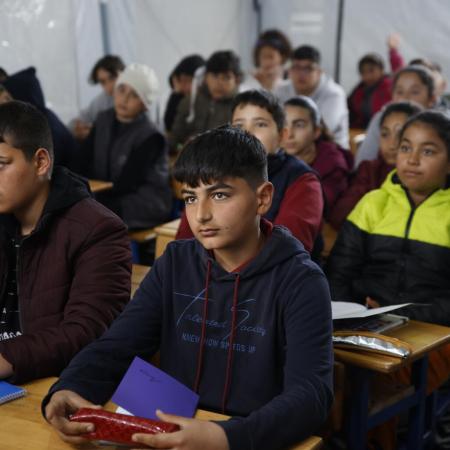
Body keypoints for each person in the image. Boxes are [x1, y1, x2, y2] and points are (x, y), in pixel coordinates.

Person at [43, 125, 333, 450]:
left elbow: (311, 394)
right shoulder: (175, 264)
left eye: (220, 195)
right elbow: (117, 345)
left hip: (252, 439)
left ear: (263, 198)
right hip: (168, 436)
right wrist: (68, 387)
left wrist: (225, 437)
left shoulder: (301, 281)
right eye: (191, 198)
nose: (201, 215)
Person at [327, 110, 450, 449]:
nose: (412, 159)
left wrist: (411, 315)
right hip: (367, 326)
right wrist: (352, 311)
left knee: (379, 385)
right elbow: (339, 272)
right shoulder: (374, 203)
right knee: (323, 372)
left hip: (434, 331)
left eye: (428, 151)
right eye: (405, 147)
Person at [0, 100, 131, 383]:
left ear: (40, 162)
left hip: (53, 384)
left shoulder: (99, 230)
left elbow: (87, 332)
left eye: (1, 164)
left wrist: (7, 357)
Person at [176, 90, 324, 253]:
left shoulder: (302, 179)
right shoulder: (213, 171)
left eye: (260, 124)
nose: (247, 132)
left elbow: (287, 250)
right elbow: (184, 245)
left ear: (282, 135)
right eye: (238, 125)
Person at [78, 63, 172, 230]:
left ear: (144, 104)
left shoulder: (151, 136)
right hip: (108, 195)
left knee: (90, 213)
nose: (124, 99)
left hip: (143, 202)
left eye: (134, 95)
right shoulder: (103, 120)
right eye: (121, 90)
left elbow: (128, 183)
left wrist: (91, 196)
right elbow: (81, 160)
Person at [329, 101, 422, 229]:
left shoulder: (422, 175)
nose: (392, 144)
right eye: (385, 134)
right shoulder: (369, 169)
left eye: (400, 134)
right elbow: (340, 216)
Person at [355, 65, 436, 167]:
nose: (405, 98)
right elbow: (363, 163)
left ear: (431, 99)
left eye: (414, 92)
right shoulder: (381, 119)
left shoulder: (440, 127)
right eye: (399, 92)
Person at [283, 95, 353, 212]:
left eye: (299, 125)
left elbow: (314, 207)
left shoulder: (332, 164)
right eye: (284, 125)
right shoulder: (273, 157)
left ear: (316, 131)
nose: (289, 134)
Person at [275, 45, 349, 148]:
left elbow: (320, 132)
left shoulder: (334, 94)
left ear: (319, 72)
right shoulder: (280, 90)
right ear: (289, 71)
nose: (301, 74)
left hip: (329, 151)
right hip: (290, 149)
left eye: (308, 69)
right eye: (296, 68)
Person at [2, 67, 77, 169]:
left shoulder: (44, 127)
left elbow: (42, 172)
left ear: (22, 98)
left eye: (9, 98)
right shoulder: (38, 120)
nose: (6, 105)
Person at [168, 50, 242, 152]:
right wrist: (182, 147)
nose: (219, 83)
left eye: (226, 77)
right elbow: (174, 140)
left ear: (237, 80)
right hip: (189, 162)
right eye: (214, 76)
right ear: (205, 77)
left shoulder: (241, 107)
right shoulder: (190, 102)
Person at [347, 34, 404, 129]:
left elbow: (400, 74)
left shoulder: (389, 86)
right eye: (363, 72)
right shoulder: (358, 91)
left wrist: (393, 51)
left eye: (371, 70)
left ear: (382, 70)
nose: (368, 75)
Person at [71, 55, 125, 140]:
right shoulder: (101, 101)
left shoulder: (136, 99)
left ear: (124, 74)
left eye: (112, 78)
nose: (109, 86)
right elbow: (80, 120)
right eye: (103, 82)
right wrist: (77, 129)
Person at [164, 54, 205, 133]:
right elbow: (169, 126)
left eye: (189, 81)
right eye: (181, 81)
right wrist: (176, 94)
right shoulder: (180, 97)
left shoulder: (207, 103)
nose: (184, 87)